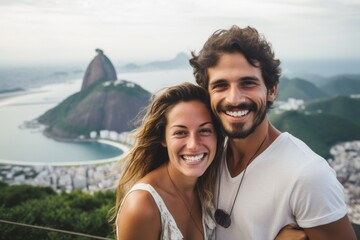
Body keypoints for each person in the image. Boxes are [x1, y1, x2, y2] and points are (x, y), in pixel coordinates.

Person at [189, 25, 356, 239]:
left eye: (248, 83)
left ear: (272, 90)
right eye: (220, 86)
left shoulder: (308, 175)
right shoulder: (206, 157)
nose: (234, 99)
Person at [114, 82, 224, 240]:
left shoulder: (210, 189)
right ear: (163, 138)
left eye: (205, 130)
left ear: (217, 136)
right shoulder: (142, 205)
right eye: (180, 133)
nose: (193, 144)